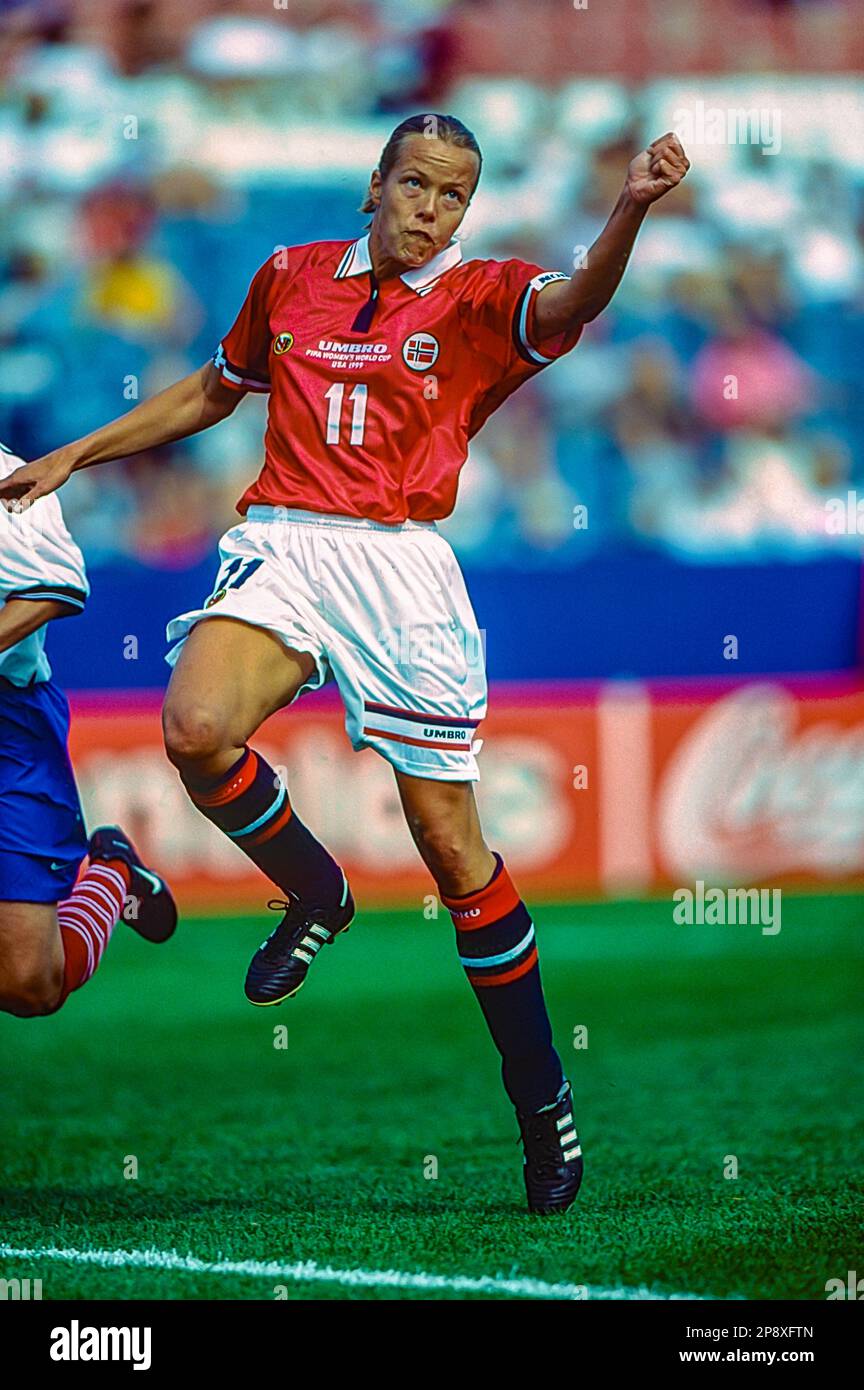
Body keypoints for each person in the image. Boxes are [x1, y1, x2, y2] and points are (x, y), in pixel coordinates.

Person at [0, 113, 689, 1212]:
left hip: (401, 568)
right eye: (415, 184)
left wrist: (628, 211)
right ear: (374, 183)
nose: (431, 209)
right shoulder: (291, 275)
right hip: (285, 538)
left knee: (452, 849)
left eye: (454, 195)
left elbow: (574, 304)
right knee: (193, 730)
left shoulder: (477, 298)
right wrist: (75, 455)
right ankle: (316, 886)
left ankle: (541, 1091)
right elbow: (217, 388)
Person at [0, 441, 177, 1020]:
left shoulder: (8, 476)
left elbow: (56, 585)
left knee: (30, 985)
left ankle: (114, 872)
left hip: (10, 728)